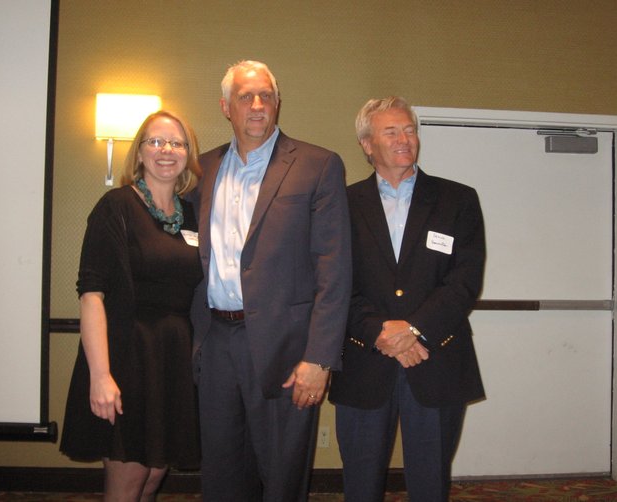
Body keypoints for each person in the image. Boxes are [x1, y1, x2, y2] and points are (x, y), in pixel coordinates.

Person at [190, 60, 351, 502]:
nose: (257, 105)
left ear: (278, 103)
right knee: (221, 475)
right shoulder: (201, 171)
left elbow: (334, 270)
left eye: (266, 96)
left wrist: (319, 359)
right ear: (226, 107)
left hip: (287, 351)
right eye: (246, 96)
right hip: (217, 343)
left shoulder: (318, 165)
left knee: (282, 478)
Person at [329, 97, 486, 502]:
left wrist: (413, 329)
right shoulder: (340, 205)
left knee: (431, 484)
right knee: (360, 485)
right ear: (367, 144)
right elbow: (333, 282)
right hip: (365, 359)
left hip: (436, 359)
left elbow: (464, 282)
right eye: (391, 131)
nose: (404, 139)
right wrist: (380, 330)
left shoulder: (459, 200)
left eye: (410, 130)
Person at [60, 110, 202, 501]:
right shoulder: (116, 206)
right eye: (155, 141)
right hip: (128, 357)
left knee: (154, 475)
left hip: (171, 360)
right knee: (127, 482)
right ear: (139, 152)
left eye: (177, 143)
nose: (166, 150)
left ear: (189, 155)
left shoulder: (191, 215)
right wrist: (100, 375)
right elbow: (91, 294)